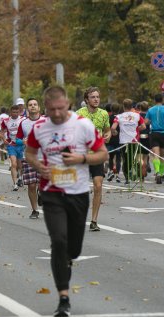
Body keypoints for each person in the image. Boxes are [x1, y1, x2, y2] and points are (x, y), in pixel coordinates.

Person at [25, 85, 108, 317]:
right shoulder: (40, 127)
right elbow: (29, 153)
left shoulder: (83, 125)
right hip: (51, 193)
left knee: (73, 248)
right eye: (52, 110)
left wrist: (81, 158)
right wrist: (37, 165)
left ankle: (66, 261)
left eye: (61, 108)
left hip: (78, 193)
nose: (57, 114)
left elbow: (103, 153)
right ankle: (63, 296)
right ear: (46, 108)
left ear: (68, 104)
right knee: (58, 241)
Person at [76, 87, 111, 231]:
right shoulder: (79, 114)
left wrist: (108, 135)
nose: (96, 99)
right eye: (93, 97)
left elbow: (107, 130)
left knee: (98, 185)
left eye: (98, 97)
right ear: (86, 100)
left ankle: (94, 220)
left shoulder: (103, 114)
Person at [111, 99, 145, 184]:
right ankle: (134, 170)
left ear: (123, 106)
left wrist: (115, 133)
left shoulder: (119, 116)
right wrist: (137, 129)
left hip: (123, 141)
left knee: (125, 159)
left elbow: (112, 128)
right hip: (134, 140)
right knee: (133, 157)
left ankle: (127, 178)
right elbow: (144, 126)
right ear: (132, 106)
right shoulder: (137, 115)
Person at [20, 98, 42, 219]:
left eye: (35, 104)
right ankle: (34, 210)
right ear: (27, 108)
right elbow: (17, 138)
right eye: (30, 105)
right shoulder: (23, 123)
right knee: (31, 185)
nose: (33, 106)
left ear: (39, 108)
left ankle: (42, 194)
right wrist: (22, 141)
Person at [146, 94, 164, 184]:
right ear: (162, 100)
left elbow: (146, 122)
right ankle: (161, 173)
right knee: (162, 156)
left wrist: (152, 121)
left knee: (156, 155)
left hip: (154, 133)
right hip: (163, 133)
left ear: (154, 100)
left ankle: (157, 172)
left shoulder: (150, 110)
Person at [1, 101, 25, 191]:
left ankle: (20, 178)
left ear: (19, 112)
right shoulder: (6, 121)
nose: (15, 114)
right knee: (14, 164)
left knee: (20, 165)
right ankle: (15, 184)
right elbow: (2, 130)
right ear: (10, 112)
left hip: (21, 145)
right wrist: (4, 139)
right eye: (13, 112)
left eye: (16, 112)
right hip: (11, 145)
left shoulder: (23, 119)